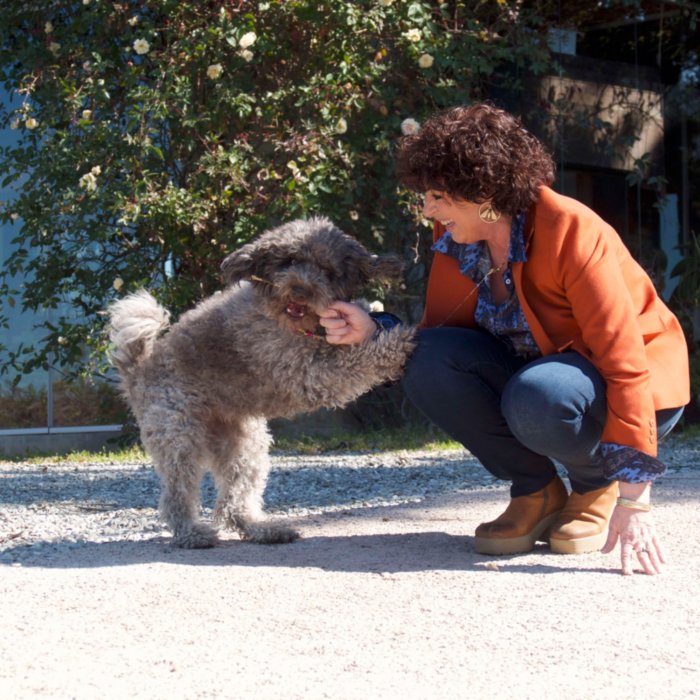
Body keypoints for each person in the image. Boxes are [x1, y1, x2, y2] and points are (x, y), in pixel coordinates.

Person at [319, 102, 690, 576]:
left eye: (438, 195)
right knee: (426, 360)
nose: (428, 208)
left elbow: (625, 362)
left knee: (539, 394)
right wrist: (375, 331)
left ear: (484, 191)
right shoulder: (456, 237)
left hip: (621, 385)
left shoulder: (572, 231)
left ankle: (595, 484)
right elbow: (442, 338)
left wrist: (635, 499)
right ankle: (536, 490)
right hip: (538, 383)